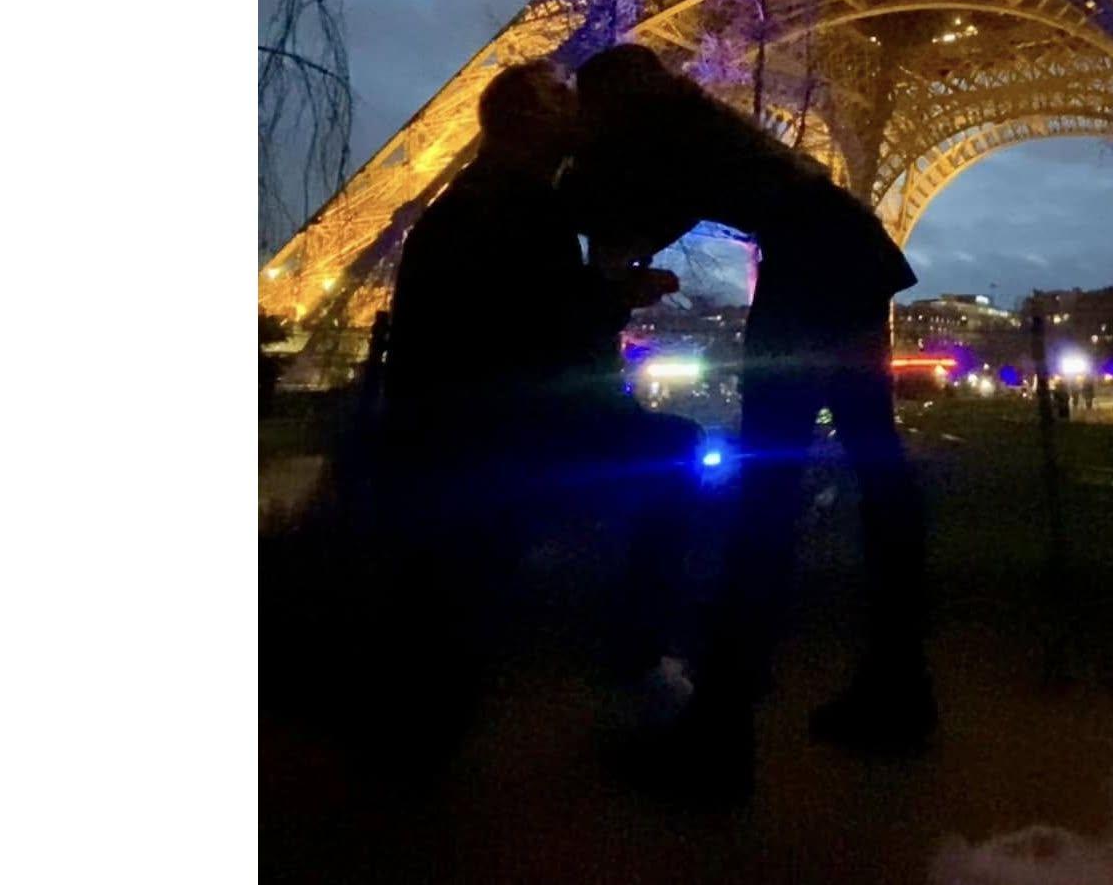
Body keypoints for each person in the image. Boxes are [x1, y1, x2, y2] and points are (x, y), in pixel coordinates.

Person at [569, 44, 933, 794]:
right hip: (850, 255)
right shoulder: (699, 124)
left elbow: (616, 216)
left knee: (769, 483)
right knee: (875, 471)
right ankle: (899, 685)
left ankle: (721, 730)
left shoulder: (665, 134)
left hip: (813, 267)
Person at [364, 59, 699, 766]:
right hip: (498, 430)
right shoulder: (518, 205)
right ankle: (636, 661)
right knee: (678, 455)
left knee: (452, 594)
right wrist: (615, 296)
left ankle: (419, 726)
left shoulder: (483, 199)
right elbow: (539, 324)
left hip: (455, 426)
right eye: (560, 97)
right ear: (529, 121)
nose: (576, 107)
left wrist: (610, 293)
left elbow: (521, 311)